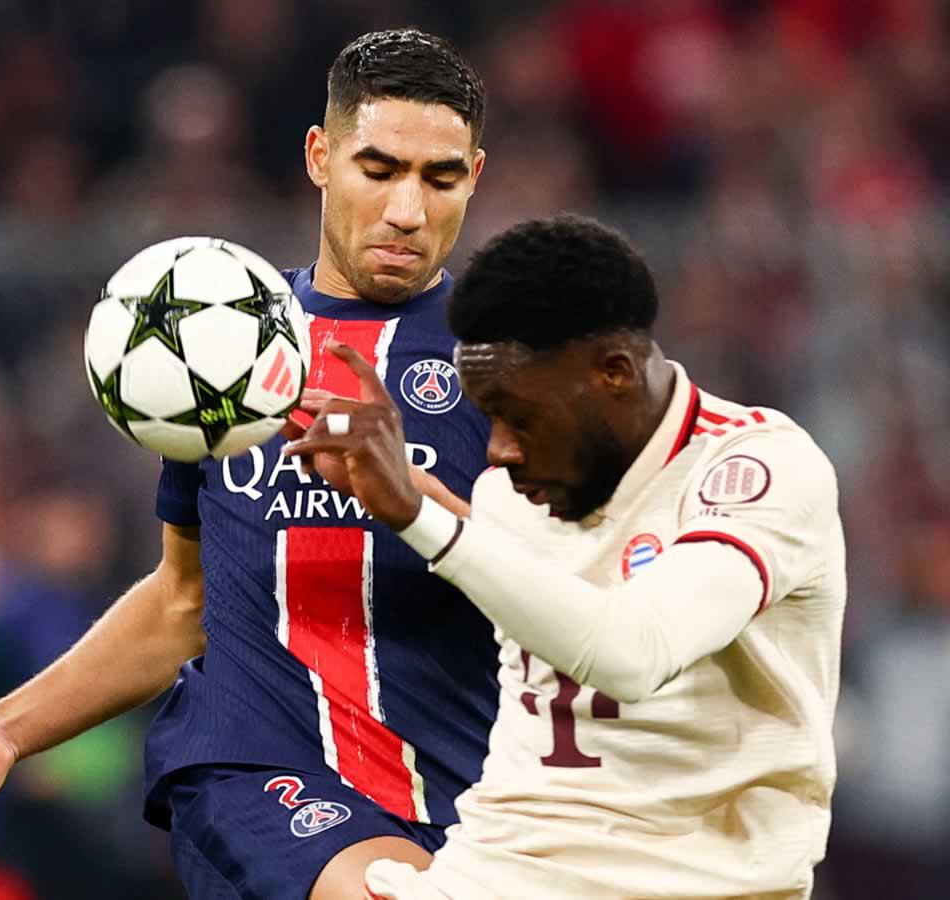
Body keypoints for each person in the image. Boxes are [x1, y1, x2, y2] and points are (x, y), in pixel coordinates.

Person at [0, 28, 502, 900]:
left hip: (466, 801)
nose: (408, 208)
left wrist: (418, 505)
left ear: (474, 177)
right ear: (320, 157)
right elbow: (186, 598)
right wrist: (3, 730)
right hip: (255, 775)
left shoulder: (506, 368)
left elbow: (567, 592)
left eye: (439, 179)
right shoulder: (226, 340)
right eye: (380, 169)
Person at [285, 215, 846, 899]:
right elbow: (534, 580)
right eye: (486, 418)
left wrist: (418, 511)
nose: (497, 451)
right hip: (494, 872)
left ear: (614, 372)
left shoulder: (760, 470)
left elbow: (632, 652)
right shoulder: (507, 498)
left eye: (520, 417)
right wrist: (405, 490)